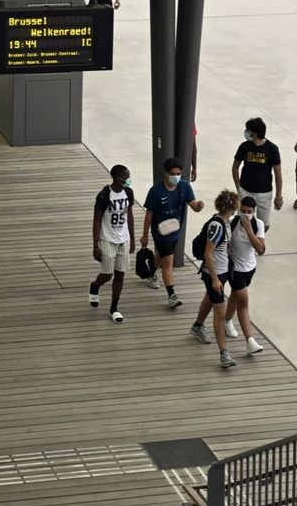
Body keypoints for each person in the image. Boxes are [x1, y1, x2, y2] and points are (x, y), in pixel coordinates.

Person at [138, 157, 203, 310]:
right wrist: (145, 235)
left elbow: (193, 205)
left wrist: (199, 206)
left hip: (174, 231)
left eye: (179, 173)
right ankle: (171, 295)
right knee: (168, 263)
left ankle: (150, 273)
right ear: (166, 174)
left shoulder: (184, 187)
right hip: (160, 233)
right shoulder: (155, 191)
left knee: (160, 258)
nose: (176, 176)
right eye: (173, 173)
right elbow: (149, 214)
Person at [188, 191, 241, 370]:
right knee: (220, 313)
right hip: (214, 274)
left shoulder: (224, 222)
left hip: (221, 272)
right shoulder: (218, 226)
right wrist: (215, 279)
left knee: (210, 300)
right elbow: (208, 254)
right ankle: (224, 354)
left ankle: (197, 326)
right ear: (233, 207)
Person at [90, 164, 137, 323]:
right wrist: (95, 245)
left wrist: (132, 237)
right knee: (107, 274)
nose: (129, 179)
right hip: (107, 238)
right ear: (118, 178)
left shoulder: (128, 192)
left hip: (123, 238)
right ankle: (95, 286)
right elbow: (97, 220)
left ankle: (114, 308)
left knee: (120, 273)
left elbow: (129, 214)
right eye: (126, 175)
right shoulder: (104, 195)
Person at [225, 195, 269, 356]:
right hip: (235, 270)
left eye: (249, 212)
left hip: (250, 268)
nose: (245, 214)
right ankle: (250, 340)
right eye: (242, 211)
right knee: (243, 302)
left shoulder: (258, 224)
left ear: (254, 211)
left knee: (235, 297)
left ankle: (226, 320)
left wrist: (249, 230)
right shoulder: (233, 222)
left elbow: (261, 249)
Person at [231, 118, 284, 229]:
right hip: (245, 190)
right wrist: (238, 187)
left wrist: (278, 196)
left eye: (248, 130)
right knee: (241, 224)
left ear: (255, 133)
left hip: (264, 194)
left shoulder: (272, 149)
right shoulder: (244, 146)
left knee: (263, 225)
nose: (246, 132)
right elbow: (235, 166)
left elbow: (278, 173)